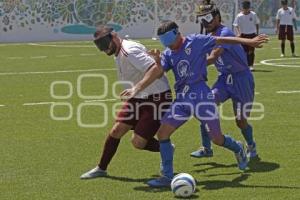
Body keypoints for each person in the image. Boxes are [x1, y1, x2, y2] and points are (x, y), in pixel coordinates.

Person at [120, 21, 268, 187]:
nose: (169, 46)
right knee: (162, 134)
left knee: (217, 139)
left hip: (201, 97)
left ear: (177, 33)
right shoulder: (169, 53)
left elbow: (223, 39)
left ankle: (238, 148)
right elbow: (158, 71)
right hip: (182, 99)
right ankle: (167, 176)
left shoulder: (196, 41)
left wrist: (250, 42)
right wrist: (142, 82)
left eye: (170, 42)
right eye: (165, 44)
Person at [80, 26, 172, 179]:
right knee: (116, 130)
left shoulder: (129, 52)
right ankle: (101, 169)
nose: (104, 49)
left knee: (138, 143)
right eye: (100, 46)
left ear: (114, 37)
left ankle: (166, 148)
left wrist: (136, 88)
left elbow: (157, 69)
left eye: (105, 44)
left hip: (157, 97)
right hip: (139, 97)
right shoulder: (119, 51)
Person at [190, 4, 257, 160]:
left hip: (242, 79)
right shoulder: (208, 35)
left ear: (218, 17)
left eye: (208, 18)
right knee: (205, 106)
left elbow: (213, 57)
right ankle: (207, 148)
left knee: (240, 121)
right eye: (202, 19)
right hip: (224, 78)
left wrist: (191, 66)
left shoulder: (224, 33)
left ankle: (251, 145)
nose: (205, 22)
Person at [233, 0, 260, 71]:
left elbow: (257, 23)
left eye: (247, 8)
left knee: (251, 51)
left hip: (252, 35)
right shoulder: (239, 16)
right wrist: (239, 33)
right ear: (242, 8)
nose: (246, 10)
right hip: (243, 35)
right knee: (244, 52)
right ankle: (244, 65)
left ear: (249, 8)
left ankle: (251, 65)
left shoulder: (253, 14)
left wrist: (257, 33)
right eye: (244, 8)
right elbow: (236, 25)